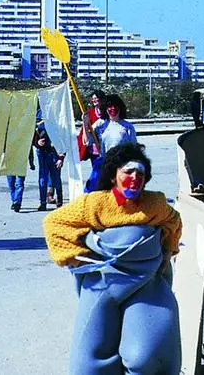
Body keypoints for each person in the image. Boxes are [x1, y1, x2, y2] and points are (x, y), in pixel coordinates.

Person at [43, 143, 182, 375]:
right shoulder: (95, 203)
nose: (135, 177)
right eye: (128, 172)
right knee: (88, 363)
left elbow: (173, 221)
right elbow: (54, 223)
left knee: (145, 356)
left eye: (140, 173)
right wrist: (80, 257)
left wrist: (168, 250)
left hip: (146, 282)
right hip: (105, 284)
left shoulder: (155, 203)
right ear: (113, 176)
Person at [35, 128, 65, 211]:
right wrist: (37, 143)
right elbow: (32, 136)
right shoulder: (40, 121)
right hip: (42, 154)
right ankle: (43, 203)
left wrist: (61, 158)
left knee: (56, 179)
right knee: (42, 180)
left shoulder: (58, 122)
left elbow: (63, 140)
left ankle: (59, 201)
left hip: (55, 154)